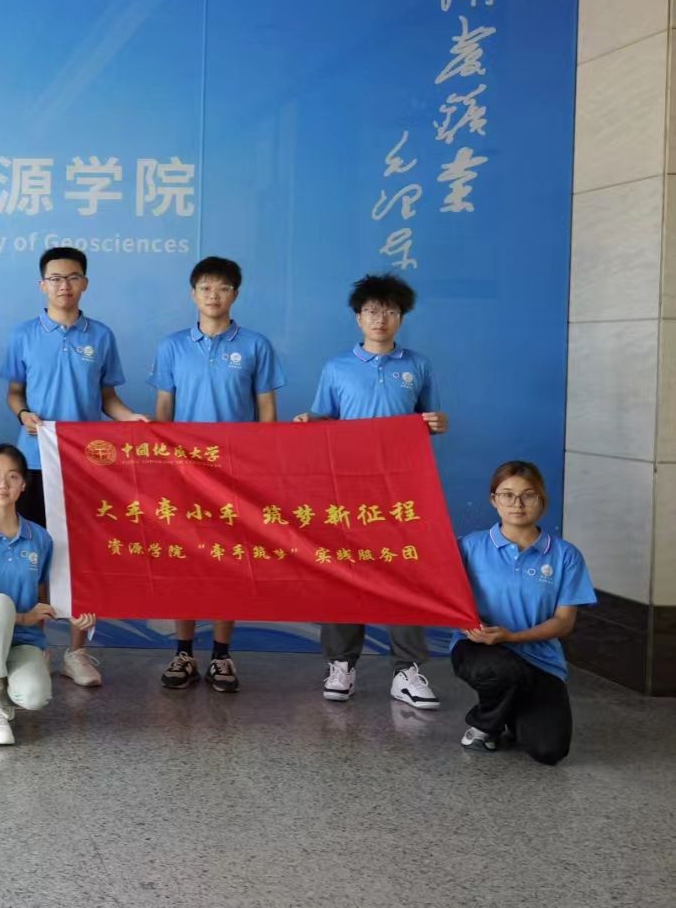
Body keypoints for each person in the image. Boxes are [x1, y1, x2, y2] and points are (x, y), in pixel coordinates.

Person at [294, 272, 448, 708]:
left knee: (406, 571)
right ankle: (341, 664)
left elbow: (430, 421)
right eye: (372, 311)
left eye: (390, 311)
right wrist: (309, 421)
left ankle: (407, 670)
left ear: (402, 317)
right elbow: (325, 418)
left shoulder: (418, 366)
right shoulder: (337, 367)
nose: (380, 319)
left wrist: (438, 423)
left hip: (401, 487)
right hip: (348, 487)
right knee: (345, 570)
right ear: (358, 317)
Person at [3, 246, 147, 688]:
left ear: (84, 283)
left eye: (72, 277)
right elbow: (14, 392)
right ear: (42, 284)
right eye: (55, 278)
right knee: (33, 555)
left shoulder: (100, 336)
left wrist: (131, 420)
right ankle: (33, 646)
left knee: (83, 558)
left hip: (87, 466)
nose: (63, 285)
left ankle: (77, 651)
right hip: (35, 462)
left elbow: (108, 400)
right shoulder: (24, 334)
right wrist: (23, 414)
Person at [148, 256, 283, 694]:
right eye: (205, 287)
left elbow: (266, 410)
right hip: (184, 474)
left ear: (235, 294)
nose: (213, 295)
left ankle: (222, 655)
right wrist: (162, 465)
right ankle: (183, 652)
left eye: (223, 288)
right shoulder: (171, 346)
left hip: (236, 473)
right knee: (184, 561)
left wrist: (264, 466)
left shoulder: (256, 345)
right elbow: (163, 410)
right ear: (193, 294)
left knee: (230, 562)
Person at [0, 444, 96, 745]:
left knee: (34, 697)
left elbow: (43, 599)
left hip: (22, 641)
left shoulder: (40, 538)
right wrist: (21, 618)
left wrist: (74, 616)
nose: (2, 485)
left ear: (23, 485)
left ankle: (7, 685)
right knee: (0, 603)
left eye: (12, 477)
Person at [449, 461, 595, 765]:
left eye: (528, 495)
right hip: (479, 649)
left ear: (542, 500)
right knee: (500, 671)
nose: (517, 503)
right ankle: (485, 725)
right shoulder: (469, 547)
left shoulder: (565, 555)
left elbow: (564, 622)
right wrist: (467, 626)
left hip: (540, 660)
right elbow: (444, 599)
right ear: (493, 500)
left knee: (549, 751)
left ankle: (512, 713)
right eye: (507, 494)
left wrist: (512, 636)